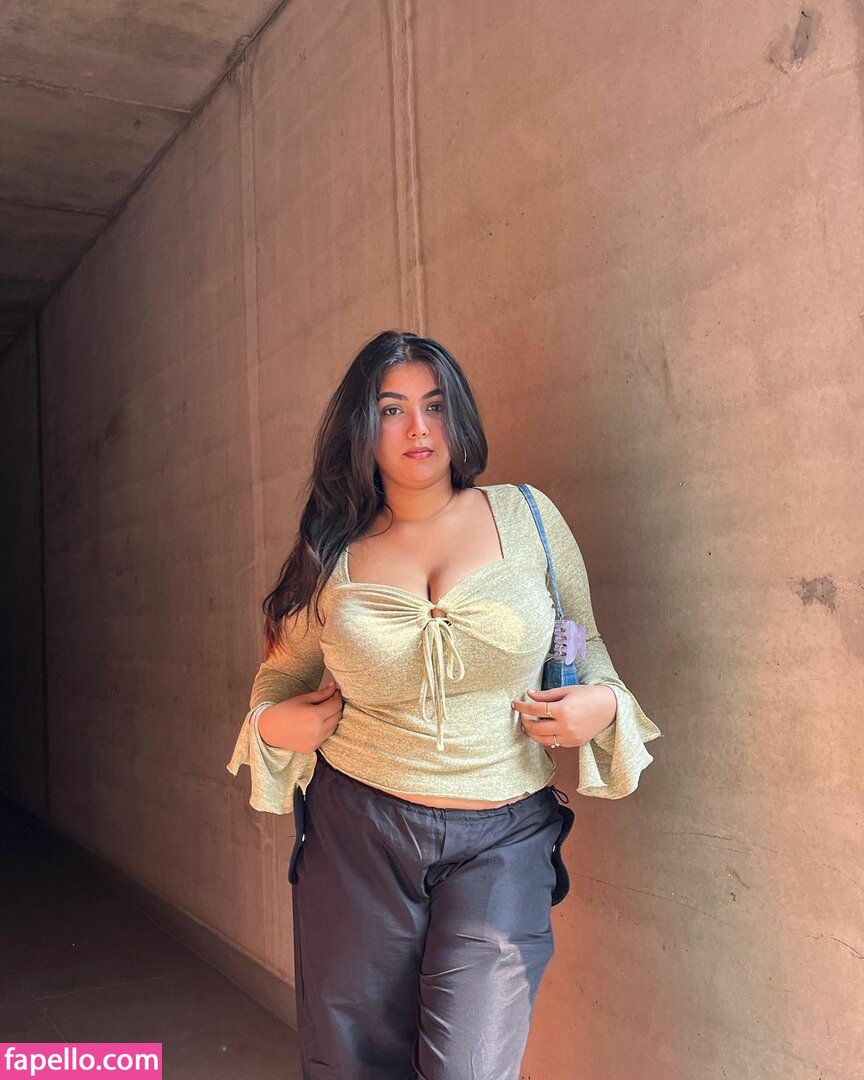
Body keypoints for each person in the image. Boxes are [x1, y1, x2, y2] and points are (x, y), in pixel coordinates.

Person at [227, 329, 662, 1079]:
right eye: (392, 409)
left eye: (433, 405)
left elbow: (587, 648)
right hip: (356, 830)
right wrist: (273, 722)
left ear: (458, 416)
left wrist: (601, 704)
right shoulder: (332, 549)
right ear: (363, 428)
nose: (418, 428)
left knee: (470, 1066)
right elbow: (280, 678)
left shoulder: (527, 517)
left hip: (503, 836)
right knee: (351, 1063)